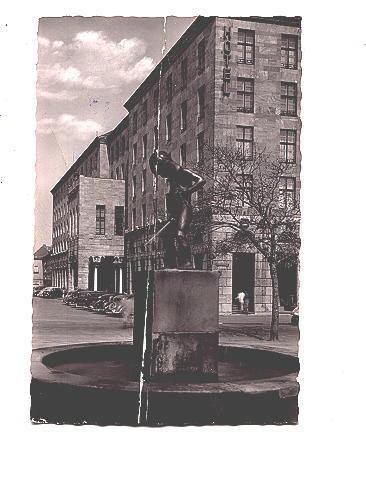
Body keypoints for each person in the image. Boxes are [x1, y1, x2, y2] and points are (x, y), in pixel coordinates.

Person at [149, 150, 206, 269]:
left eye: (161, 172)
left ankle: (187, 263)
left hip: (185, 208)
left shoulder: (181, 171)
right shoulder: (173, 178)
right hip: (176, 211)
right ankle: (171, 263)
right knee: (166, 235)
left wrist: (188, 190)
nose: (162, 176)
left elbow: (201, 180)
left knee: (180, 234)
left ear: (165, 164)